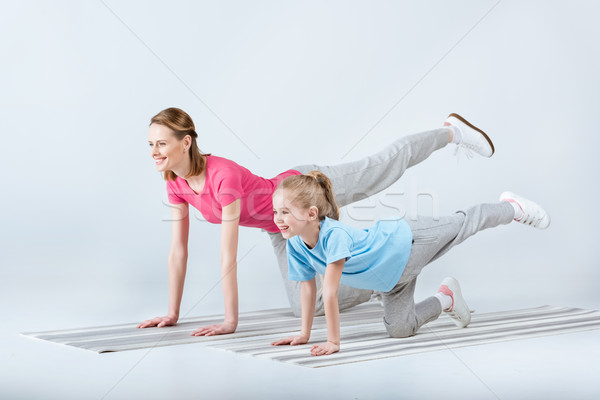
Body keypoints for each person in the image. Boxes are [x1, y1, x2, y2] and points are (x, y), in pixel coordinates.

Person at [137, 107, 495, 336]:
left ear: (185, 143)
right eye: (150, 144)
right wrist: (172, 313)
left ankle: (451, 132)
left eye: (161, 143)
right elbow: (177, 252)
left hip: (302, 189)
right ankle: (384, 282)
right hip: (283, 226)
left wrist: (230, 323)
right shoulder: (175, 183)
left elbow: (227, 258)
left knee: (384, 168)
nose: (154, 151)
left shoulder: (222, 177)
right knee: (305, 306)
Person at [271, 171, 550, 356]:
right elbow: (308, 289)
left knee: (464, 224)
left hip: (407, 243)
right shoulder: (295, 244)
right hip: (391, 281)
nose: (278, 219)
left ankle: (512, 208)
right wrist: (305, 333)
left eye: (285, 212)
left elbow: (329, 292)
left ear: (311, 213)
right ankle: (446, 299)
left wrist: (333, 341)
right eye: (276, 212)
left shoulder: (334, 236)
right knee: (400, 330)